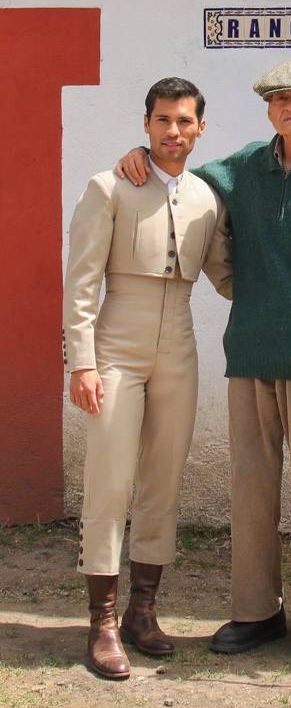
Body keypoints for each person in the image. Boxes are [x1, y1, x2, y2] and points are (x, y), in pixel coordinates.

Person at [116, 60, 291, 669]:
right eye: (280, 98)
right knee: (251, 490)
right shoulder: (242, 168)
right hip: (252, 354)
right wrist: (142, 154)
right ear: (268, 109)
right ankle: (256, 610)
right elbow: (179, 173)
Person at [64, 78, 233, 681]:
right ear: (146, 124)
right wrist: (81, 362)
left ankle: (142, 610)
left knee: (163, 478)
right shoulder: (109, 187)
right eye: (163, 120)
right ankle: (102, 621)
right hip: (116, 344)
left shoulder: (208, 199)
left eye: (185, 121)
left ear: (200, 128)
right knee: (109, 480)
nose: (173, 131)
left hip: (178, 346)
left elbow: (226, 276)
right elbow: (82, 281)